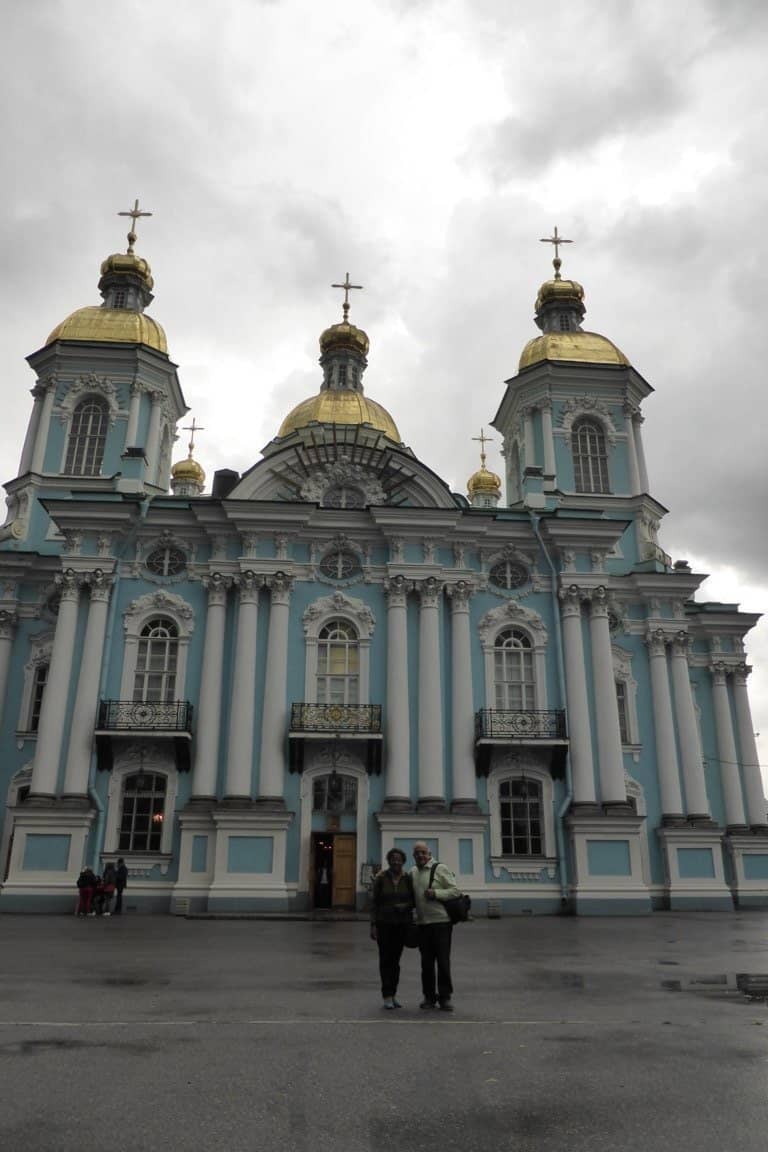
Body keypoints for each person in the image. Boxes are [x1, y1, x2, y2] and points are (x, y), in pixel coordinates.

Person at [412, 841, 460, 1012]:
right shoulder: (413, 872)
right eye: (417, 853)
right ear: (413, 856)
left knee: (443, 962)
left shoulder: (440, 869)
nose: (420, 855)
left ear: (429, 853)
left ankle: (445, 998)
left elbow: (455, 891)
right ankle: (429, 997)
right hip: (423, 924)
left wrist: (437, 893)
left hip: (441, 923)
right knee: (426, 964)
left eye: (423, 852)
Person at [369, 848, 415, 1010]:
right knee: (385, 960)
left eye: (399, 859)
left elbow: (413, 900)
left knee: (395, 962)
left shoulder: (408, 879)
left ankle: (393, 995)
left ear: (403, 861)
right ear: (389, 861)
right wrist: (373, 925)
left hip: (401, 925)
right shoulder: (381, 878)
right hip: (384, 924)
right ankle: (386, 995)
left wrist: (406, 906)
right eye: (393, 859)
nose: (396, 862)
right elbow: (374, 903)